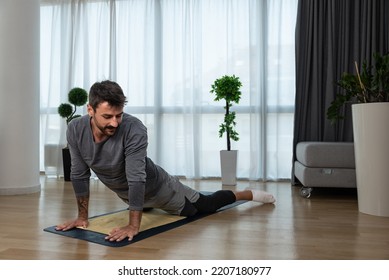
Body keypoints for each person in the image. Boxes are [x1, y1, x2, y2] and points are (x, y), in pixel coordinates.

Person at [56, 80, 276, 242]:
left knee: (205, 206)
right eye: (107, 116)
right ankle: (147, 207)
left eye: (119, 115)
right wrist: (81, 217)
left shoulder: (134, 129)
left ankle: (246, 194)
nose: (115, 122)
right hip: (130, 196)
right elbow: (79, 174)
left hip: (162, 189)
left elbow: (136, 177)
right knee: (147, 206)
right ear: (90, 110)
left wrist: (134, 226)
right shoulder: (76, 129)